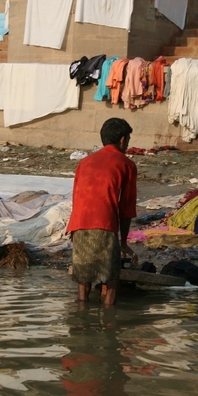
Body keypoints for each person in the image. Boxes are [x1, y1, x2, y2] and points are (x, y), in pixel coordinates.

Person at [66, 118, 137, 305]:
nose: (128, 144)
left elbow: (77, 197)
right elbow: (127, 208)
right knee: (111, 277)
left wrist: (74, 229)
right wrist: (123, 243)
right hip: (105, 225)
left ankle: (80, 323)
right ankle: (109, 321)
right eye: (128, 139)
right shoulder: (127, 164)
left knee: (83, 278)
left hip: (79, 225)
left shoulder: (85, 162)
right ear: (122, 140)